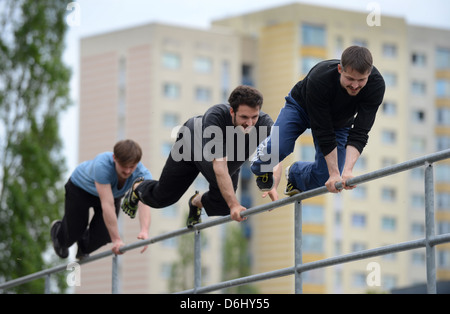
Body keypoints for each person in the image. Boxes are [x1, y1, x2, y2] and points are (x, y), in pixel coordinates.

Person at [121, 85, 281, 226]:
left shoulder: (265, 124)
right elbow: (219, 167)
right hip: (190, 145)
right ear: (232, 111)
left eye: (254, 117)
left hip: (226, 161)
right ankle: (137, 188)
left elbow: (275, 158)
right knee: (163, 197)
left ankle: (196, 202)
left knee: (224, 205)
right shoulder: (216, 116)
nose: (250, 123)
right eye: (244, 117)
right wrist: (234, 204)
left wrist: (273, 184)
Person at [251, 46, 386, 195]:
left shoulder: (376, 85)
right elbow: (323, 130)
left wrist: (346, 171)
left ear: (369, 74)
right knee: (279, 148)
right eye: (350, 79)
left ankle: (296, 175)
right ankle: (260, 163)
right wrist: (335, 172)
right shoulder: (320, 77)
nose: (355, 86)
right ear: (340, 69)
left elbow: (360, 131)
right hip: (300, 108)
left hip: (339, 123)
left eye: (361, 80)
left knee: (327, 176)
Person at [51, 139, 152, 259]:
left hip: (111, 195)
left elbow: (144, 202)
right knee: (74, 232)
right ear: (115, 158)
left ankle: (83, 247)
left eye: (132, 167)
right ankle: (58, 232)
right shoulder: (102, 165)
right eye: (123, 166)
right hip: (80, 189)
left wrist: (144, 231)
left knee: (104, 235)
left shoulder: (142, 175)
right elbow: (107, 204)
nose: (127, 171)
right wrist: (117, 240)